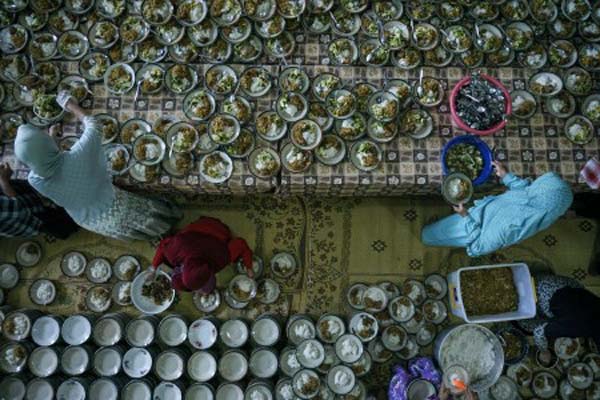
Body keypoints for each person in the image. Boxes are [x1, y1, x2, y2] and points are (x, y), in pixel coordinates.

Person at [14, 92, 181, 241]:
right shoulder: (76, 157)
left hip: (90, 220)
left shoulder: (34, 179)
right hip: (113, 206)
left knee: (130, 230)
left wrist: (52, 141)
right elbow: (95, 126)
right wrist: (71, 106)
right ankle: (169, 229)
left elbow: (49, 164)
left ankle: (151, 236)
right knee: (147, 216)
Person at [421, 161, 573, 257]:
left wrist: (465, 216)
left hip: (469, 230)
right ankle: (436, 228)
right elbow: (524, 189)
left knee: (442, 233)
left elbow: (479, 246)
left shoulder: (513, 227)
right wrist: (505, 175)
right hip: (477, 215)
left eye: (537, 186)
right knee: (447, 224)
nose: (533, 186)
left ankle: (426, 237)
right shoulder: (535, 201)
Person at [151, 216, 254, 293]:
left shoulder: (223, 257)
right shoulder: (175, 251)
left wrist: (249, 267)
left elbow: (241, 243)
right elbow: (162, 246)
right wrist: (153, 268)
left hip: (216, 229)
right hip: (195, 233)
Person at [517, 274, 600, 350]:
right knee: (527, 326)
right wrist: (544, 350)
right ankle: (516, 318)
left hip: (558, 283)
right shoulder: (583, 326)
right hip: (540, 290)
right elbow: (538, 332)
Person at [0, 162, 77, 239]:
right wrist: (3, 180)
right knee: (67, 220)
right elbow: (17, 206)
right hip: (35, 218)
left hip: (27, 197)